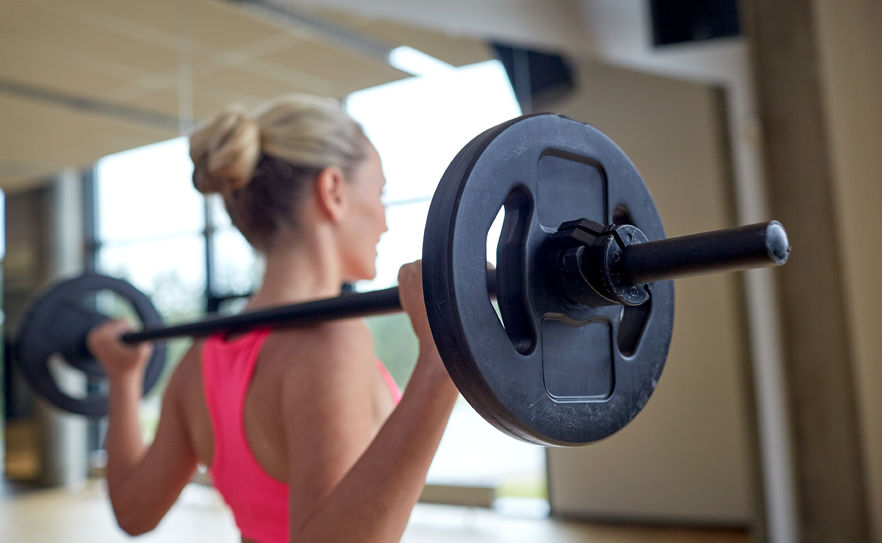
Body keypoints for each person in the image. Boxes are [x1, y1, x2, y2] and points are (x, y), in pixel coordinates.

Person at [87, 94, 459, 543]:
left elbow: (134, 510)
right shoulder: (330, 346)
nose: (384, 220)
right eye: (379, 193)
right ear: (333, 191)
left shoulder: (202, 359)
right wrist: (441, 368)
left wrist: (123, 379)